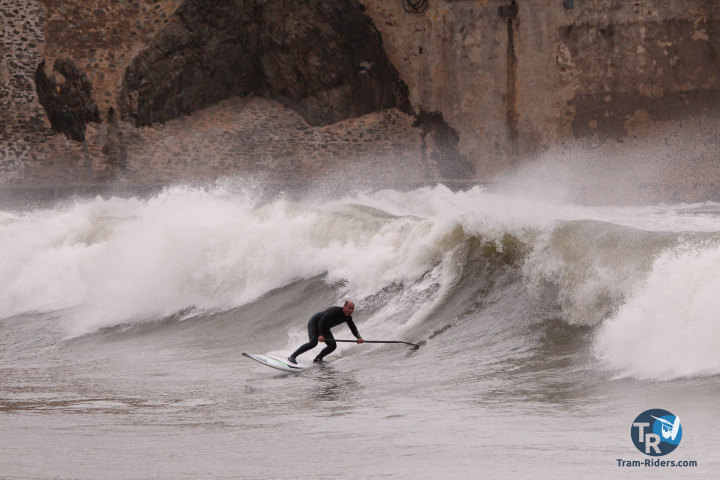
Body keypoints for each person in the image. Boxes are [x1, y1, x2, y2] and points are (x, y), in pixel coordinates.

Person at [288, 301, 364, 364]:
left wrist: (358, 337)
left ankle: (318, 359)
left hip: (324, 327)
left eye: (352, 309)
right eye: (349, 308)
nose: (351, 310)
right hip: (315, 322)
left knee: (332, 345)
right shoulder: (335, 311)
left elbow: (353, 328)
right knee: (313, 343)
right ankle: (292, 356)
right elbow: (321, 321)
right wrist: (320, 335)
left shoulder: (348, 317)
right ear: (344, 307)